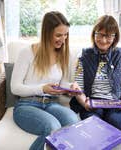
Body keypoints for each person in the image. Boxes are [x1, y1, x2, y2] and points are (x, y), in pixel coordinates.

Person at [69, 15, 121, 150]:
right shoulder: (83, 57)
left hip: (116, 102)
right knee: (92, 124)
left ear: (115, 37)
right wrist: (84, 102)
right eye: (100, 35)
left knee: (115, 120)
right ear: (94, 34)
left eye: (108, 36)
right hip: (92, 101)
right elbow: (79, 89)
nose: (103, 40)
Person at [11, 11, 79, 150]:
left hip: (51, 103)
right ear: (46, 33)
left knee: (73, 121)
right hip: (26, 105)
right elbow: (15, 87)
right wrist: (42, 88)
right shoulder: (27, 52)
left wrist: (71, 87)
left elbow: (60, 85)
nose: (63, 39)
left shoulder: (63, 54)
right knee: (52, 127)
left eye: (65, 34)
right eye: (58, 35)